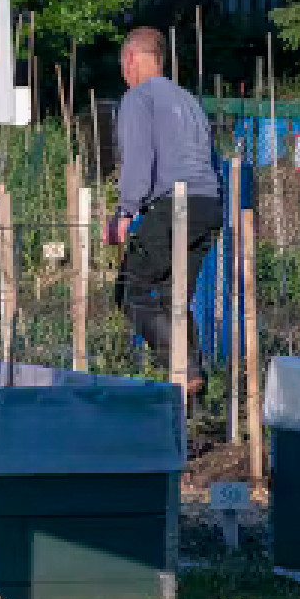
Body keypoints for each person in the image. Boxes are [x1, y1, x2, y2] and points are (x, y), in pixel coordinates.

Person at [108, 26, 222, 396]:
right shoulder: (187, 99)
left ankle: (184, 369)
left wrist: (125, 213)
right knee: (175, 301)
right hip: (208, 204)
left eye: (123, 65)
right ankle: (195, 395)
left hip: (174, 204)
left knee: (131, 291)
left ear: (131, 60)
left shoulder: (140, 98)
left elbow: (138, 160)